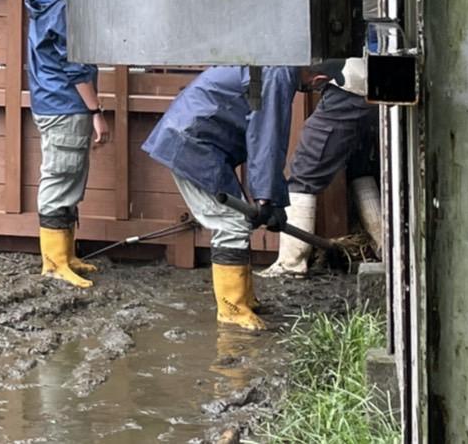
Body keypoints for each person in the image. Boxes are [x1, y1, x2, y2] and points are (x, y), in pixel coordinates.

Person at [142, 63, 333, 329]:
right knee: (230, 223)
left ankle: (244, 299)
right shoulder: (278, 74)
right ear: (318, 78)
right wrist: (267, 198)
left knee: (236, 221)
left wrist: (273, 200)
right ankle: (232, 309)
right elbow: (267, 138)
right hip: (192, 143)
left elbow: (266, 141)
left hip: (197, 140)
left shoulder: (276, 67)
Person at [26, 0, 108, 287]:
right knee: (61, 178)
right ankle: (55, 263)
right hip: (65, 102)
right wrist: (96, 110)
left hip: (51, 100)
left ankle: (65, 254)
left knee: (67, 175)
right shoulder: (64, 4)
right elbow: (73, 64)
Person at [260, 55, 382, 277]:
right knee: (359, 166)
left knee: (304, 172)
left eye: (308, 88)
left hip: (349, 86)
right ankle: (384, 245)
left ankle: (290, 265)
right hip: (371, 79)